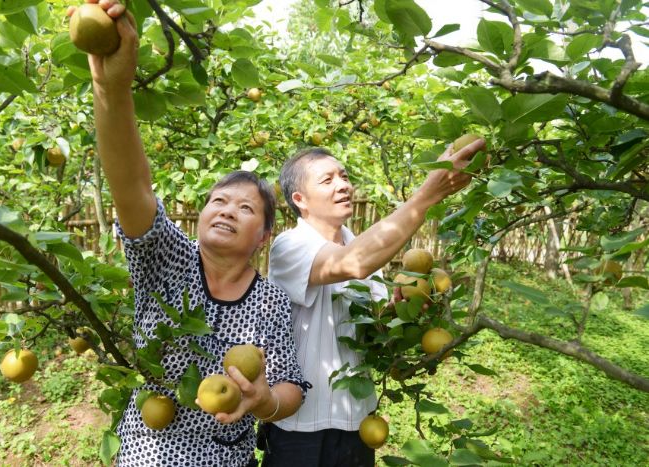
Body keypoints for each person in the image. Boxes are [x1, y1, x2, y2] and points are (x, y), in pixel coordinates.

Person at [69, 2, 307, 465]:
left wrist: (263, 402)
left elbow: (291, 387)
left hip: (225, 458)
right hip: (148, 455)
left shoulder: (271, 301)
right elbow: (131, 185)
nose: (225, 210)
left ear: (264, 236)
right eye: (217, 201)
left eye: (244, 208)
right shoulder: (167, 257)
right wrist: (111, 88)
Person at [264, 141, 485, 466]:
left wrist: (401, 312)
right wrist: (428, 193)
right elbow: (350, 263)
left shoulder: (362, 249)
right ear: (300, 200)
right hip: (299, 431)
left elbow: (377, 335)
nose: (343, 185)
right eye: (327, 180)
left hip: (359, 425)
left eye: (344, 176)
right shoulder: (290, 246)